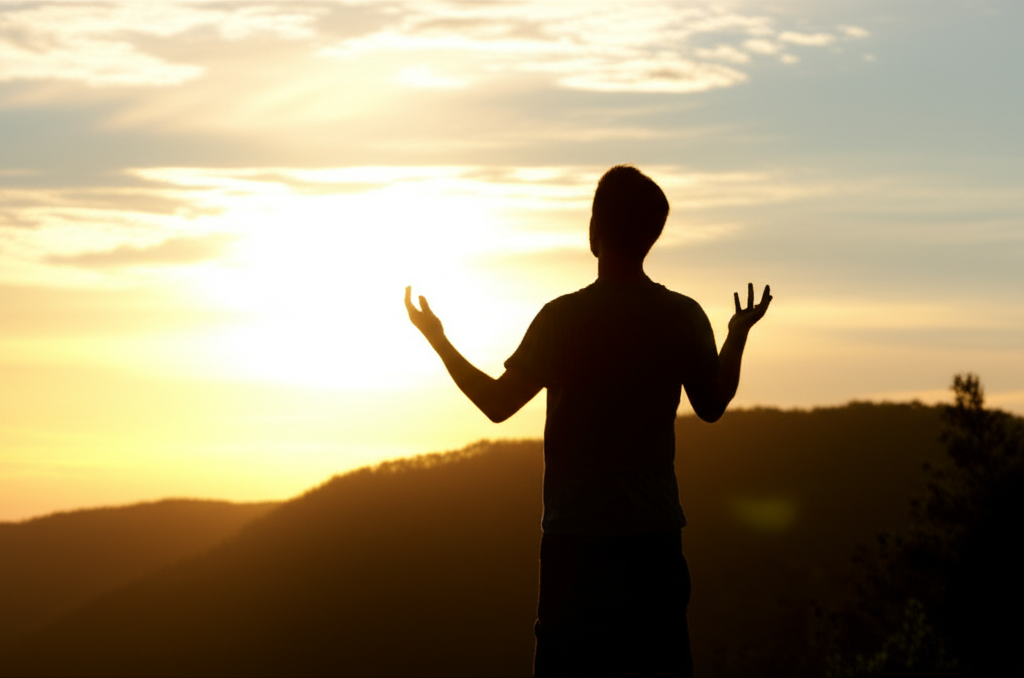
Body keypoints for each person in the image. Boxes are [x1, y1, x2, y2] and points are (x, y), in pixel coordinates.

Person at [405, 165, 771, 677]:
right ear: (653, 235)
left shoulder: (562, 318)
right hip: (654, 537)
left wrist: (438, 339)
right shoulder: (683, 316)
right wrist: (736, 335)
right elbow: (712, 405)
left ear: (595, 232)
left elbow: (496, 403)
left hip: (576, 542)